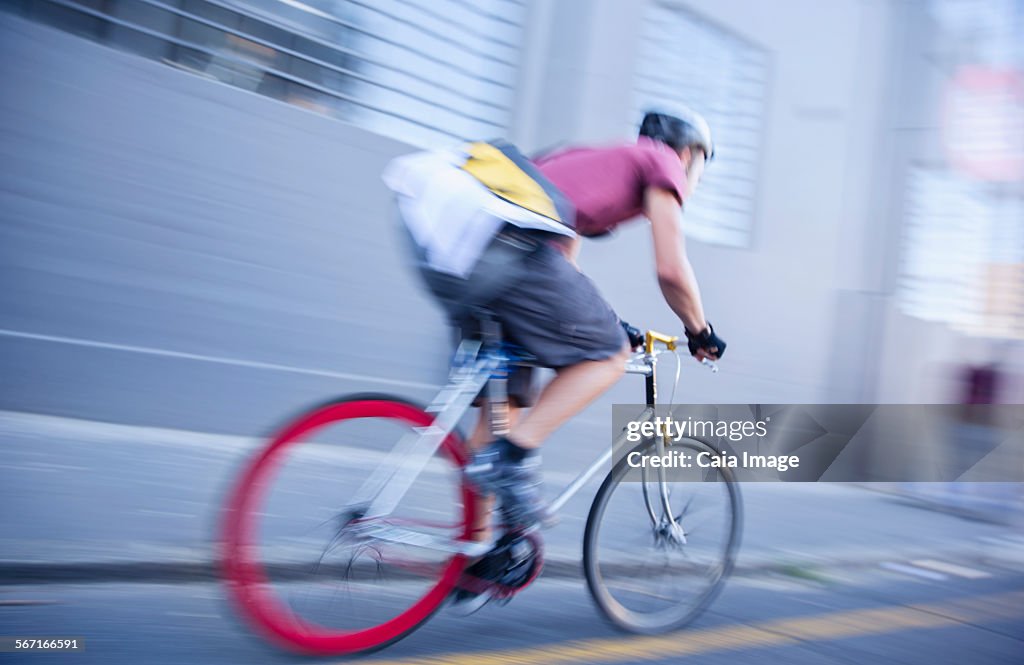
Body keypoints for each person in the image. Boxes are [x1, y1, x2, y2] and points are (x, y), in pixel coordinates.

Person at [383, 105, 726, 592]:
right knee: (608, 356)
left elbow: (563, 270)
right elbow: (671, 269)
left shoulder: (590, 157)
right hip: (512, 248)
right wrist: (699, 330)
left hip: (468, 253)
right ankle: (513, 460)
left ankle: (478, 553)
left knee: (503, 413)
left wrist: (613, 320)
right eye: (699, 164)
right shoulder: (661, 161)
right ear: (689, 153)